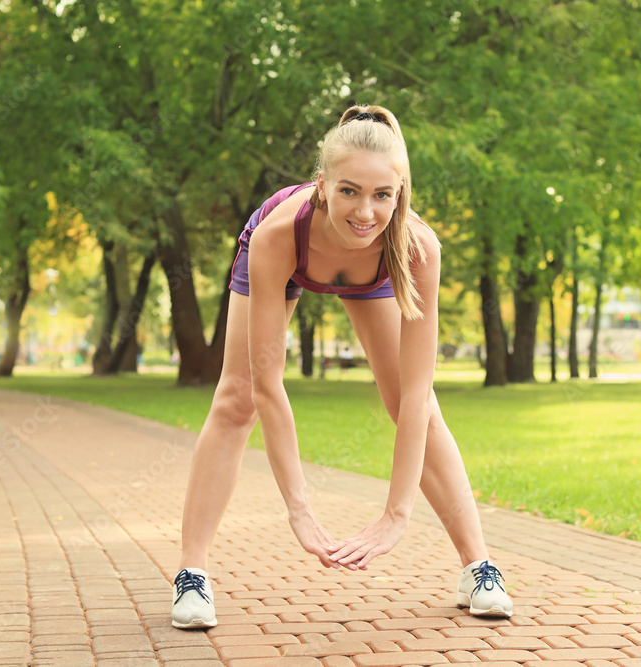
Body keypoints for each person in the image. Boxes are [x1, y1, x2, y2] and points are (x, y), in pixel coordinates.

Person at [171, 104, 513, 629]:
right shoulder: (277, 234)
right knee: (237, 397)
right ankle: (191, 573)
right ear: (323, 184)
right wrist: (300, 510)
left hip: (376, 267)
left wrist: (396, 515)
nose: (365, 212)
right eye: (349, 190)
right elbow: (268, 384)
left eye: (382, 195)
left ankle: (478, 566)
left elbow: (418, 397)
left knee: (411, 403)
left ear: (400, 194)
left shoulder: (417, 247)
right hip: (292, 260)